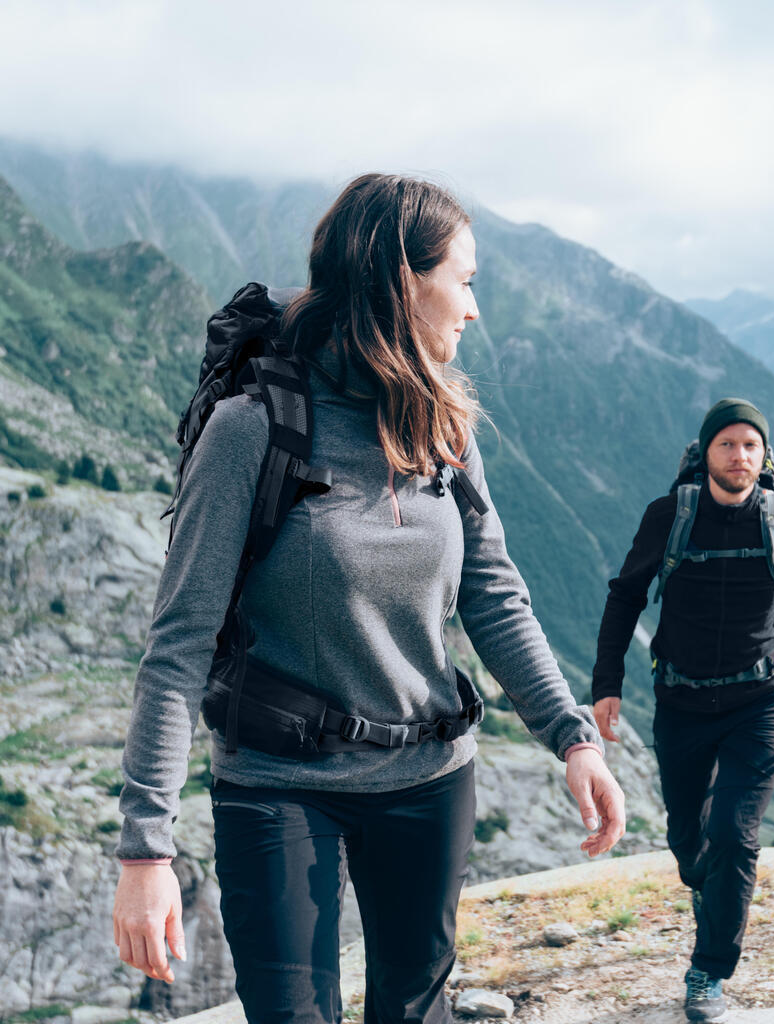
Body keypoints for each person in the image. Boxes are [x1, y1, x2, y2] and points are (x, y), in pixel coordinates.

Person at [112, 173, 625, 1024]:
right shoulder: (252, 430)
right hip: (278, 782)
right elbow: (179, 647)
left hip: (427, 777)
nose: (473, 307)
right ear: (401, 280)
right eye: (463, 280)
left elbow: (493, 594)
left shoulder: (446, 427)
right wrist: (145, 852)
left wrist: (573, 738)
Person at [591, 398, 774, 1023]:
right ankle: (710, 885)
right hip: (682, 700)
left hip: (760, 703)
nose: (739, 455)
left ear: (764, 456)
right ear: (705, 454)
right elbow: (625, 597)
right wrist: (606, 682)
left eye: (751, 445)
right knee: (689, 842)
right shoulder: (670, 516)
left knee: (734, 835)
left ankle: (709, 969)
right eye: (727, 444)